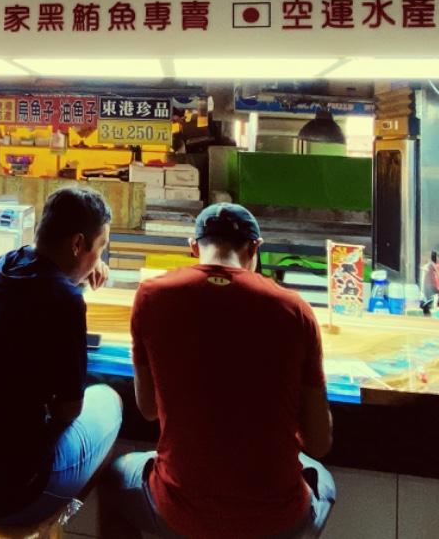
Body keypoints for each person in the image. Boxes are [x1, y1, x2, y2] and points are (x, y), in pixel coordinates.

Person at [100, 203, 335, 539]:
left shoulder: (152, 296)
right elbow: (319, 441)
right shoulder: (294, 309)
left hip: (179, 513)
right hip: (277, 520)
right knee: (322, 479)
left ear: (194, 248)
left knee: (115, 477)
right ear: (254, 248)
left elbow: (148, 408)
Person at [0, 187, 122, 526]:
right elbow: (68, 411)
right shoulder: (64, 301)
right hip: (7, 494)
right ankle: (68, 521)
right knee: (109, 401)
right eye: (100, 247)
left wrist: (80, 271)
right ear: (77, 244)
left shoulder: (5, 267)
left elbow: (38, 297)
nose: (98, 260)